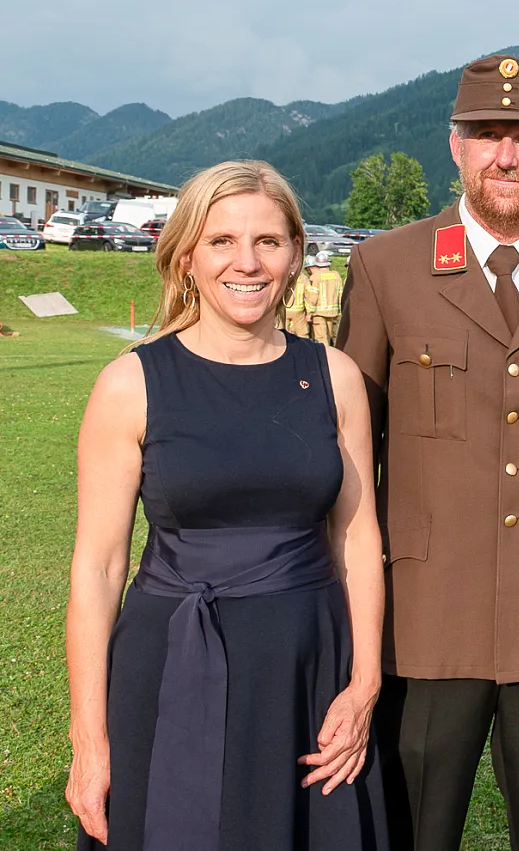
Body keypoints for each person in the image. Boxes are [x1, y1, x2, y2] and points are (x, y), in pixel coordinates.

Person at [337, 54, 519, 851]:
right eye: (487, 135)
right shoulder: (387, 267)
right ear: (455, 145)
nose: (506, 155)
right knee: (410, 829)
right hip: (426, 617)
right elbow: (349, 454)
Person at [65, 160, 387, 850]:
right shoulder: (130, 385)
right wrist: (89, 738)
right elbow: (97, 568)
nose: (247, 262)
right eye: (221, 241)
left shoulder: (335, 378)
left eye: (268, 241)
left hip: (305, 667)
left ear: (295, 253)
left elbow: (358, 539)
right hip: (169, 662)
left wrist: (363, 685)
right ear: (186, 255)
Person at [306, 249, 344, 343]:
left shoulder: (315, 277)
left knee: (322, 339)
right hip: (333, 313)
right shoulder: (336, 275)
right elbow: (341, 294)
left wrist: (309, 313)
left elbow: (313, 297)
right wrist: (340, 311)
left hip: (319, 313)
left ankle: (325, 353)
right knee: (331, 337)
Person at [284, 253, 313, 338]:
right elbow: (309, 295)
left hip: (284, 310)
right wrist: (309, 312)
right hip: (298, 310)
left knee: (283, 335)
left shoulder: (283, 275)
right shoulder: (303, 278)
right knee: (302, 334)